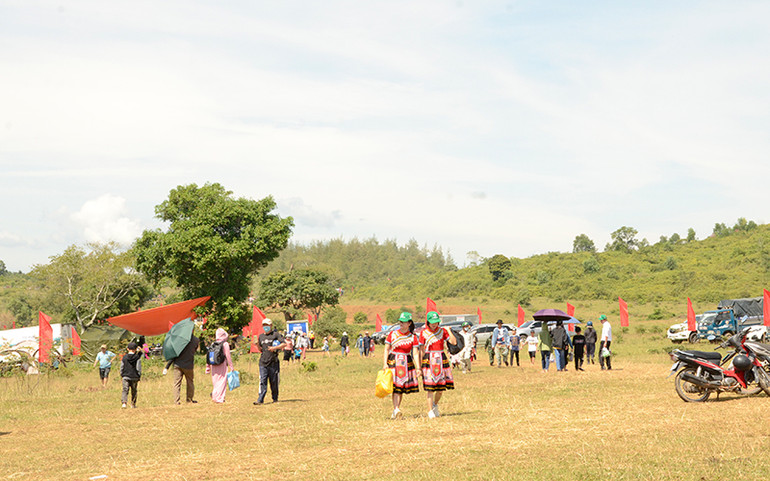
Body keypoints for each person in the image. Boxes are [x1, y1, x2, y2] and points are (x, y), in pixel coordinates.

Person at [419, 311, 457, 418]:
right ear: (428, 322)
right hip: (428, 359)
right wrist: (420, 365)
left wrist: (449, 331)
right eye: (432, 322)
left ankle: (435, 404)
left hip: (441, 359)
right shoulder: (423, 333)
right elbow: (421, 350)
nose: (434, 324)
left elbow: (453, 342)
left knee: (440, 389)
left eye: (436, 322)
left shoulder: (443, 331)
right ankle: (430, 410)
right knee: (430, 388)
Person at [382, 312, 420, 419]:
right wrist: (385, 363)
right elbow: (386, 349)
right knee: (396, 387)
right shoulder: (392, 334)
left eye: (404, 322)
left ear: (409, 323)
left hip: (406, 362)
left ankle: (396, 409)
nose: (401, 324)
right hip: (393, 361)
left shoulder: (413, 337)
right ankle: (396, 409)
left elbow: (416, 353)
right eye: (400, 322)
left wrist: (418, 367)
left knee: (400, 387)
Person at [255, 318, 286, 404]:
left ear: (271, 326)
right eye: (264, 325)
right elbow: (261, 349)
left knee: (274, 381)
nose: (266, 327)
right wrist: (257, 345)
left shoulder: (276, 335)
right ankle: (260, 399)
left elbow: (284, 343)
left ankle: (275, 398)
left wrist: (274, 348)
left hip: (273, 362)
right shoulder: (261, 336)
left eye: (267, 325)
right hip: (263, 362)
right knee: (262, 381)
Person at [163, 333, 200, 405]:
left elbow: (174, 353)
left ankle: (176, 401)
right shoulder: (196, 340)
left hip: (178, 365)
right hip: (188, 365)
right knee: (190, 382)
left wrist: (167, 367)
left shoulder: (179, 340)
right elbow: (194, 350)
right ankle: (189, 400)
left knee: (176, 383)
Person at [205, 328, 234, 403]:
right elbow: (228, 356)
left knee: (215, 382)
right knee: (222, 381)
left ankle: (215, 396)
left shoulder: (213, 344)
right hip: (222, 364)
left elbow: (208, 355)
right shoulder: (225, 344)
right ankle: (220, 398)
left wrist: (207, 367)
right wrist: (231, 366)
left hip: (213, 365)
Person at [120, 342, 142, 408]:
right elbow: (138, 368)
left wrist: (122, 374)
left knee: (125, 389)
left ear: (127, 349)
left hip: (125, 376)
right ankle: (133, 404)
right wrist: (139, 375)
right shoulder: (137, 357)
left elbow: (122, 367)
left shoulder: (124, 357)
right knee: (134, 390)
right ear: (135, 349)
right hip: (134, 376)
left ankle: (124, 403)